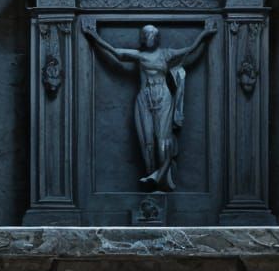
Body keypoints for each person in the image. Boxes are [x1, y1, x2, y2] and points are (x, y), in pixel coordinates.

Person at [82, 19, 215, 190]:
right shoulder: (140, 56)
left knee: (162, 142)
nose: (148, 36)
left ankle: (160, 175)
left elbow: (190, 50)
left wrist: (204, 34)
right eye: (145, 34)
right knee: (147, 143)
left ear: (157, 37)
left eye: (151, 34)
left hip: (163, 97)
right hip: (144, 99)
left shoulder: (167, 54)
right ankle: (153, 179)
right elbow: (117, 53)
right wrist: (94, 36)